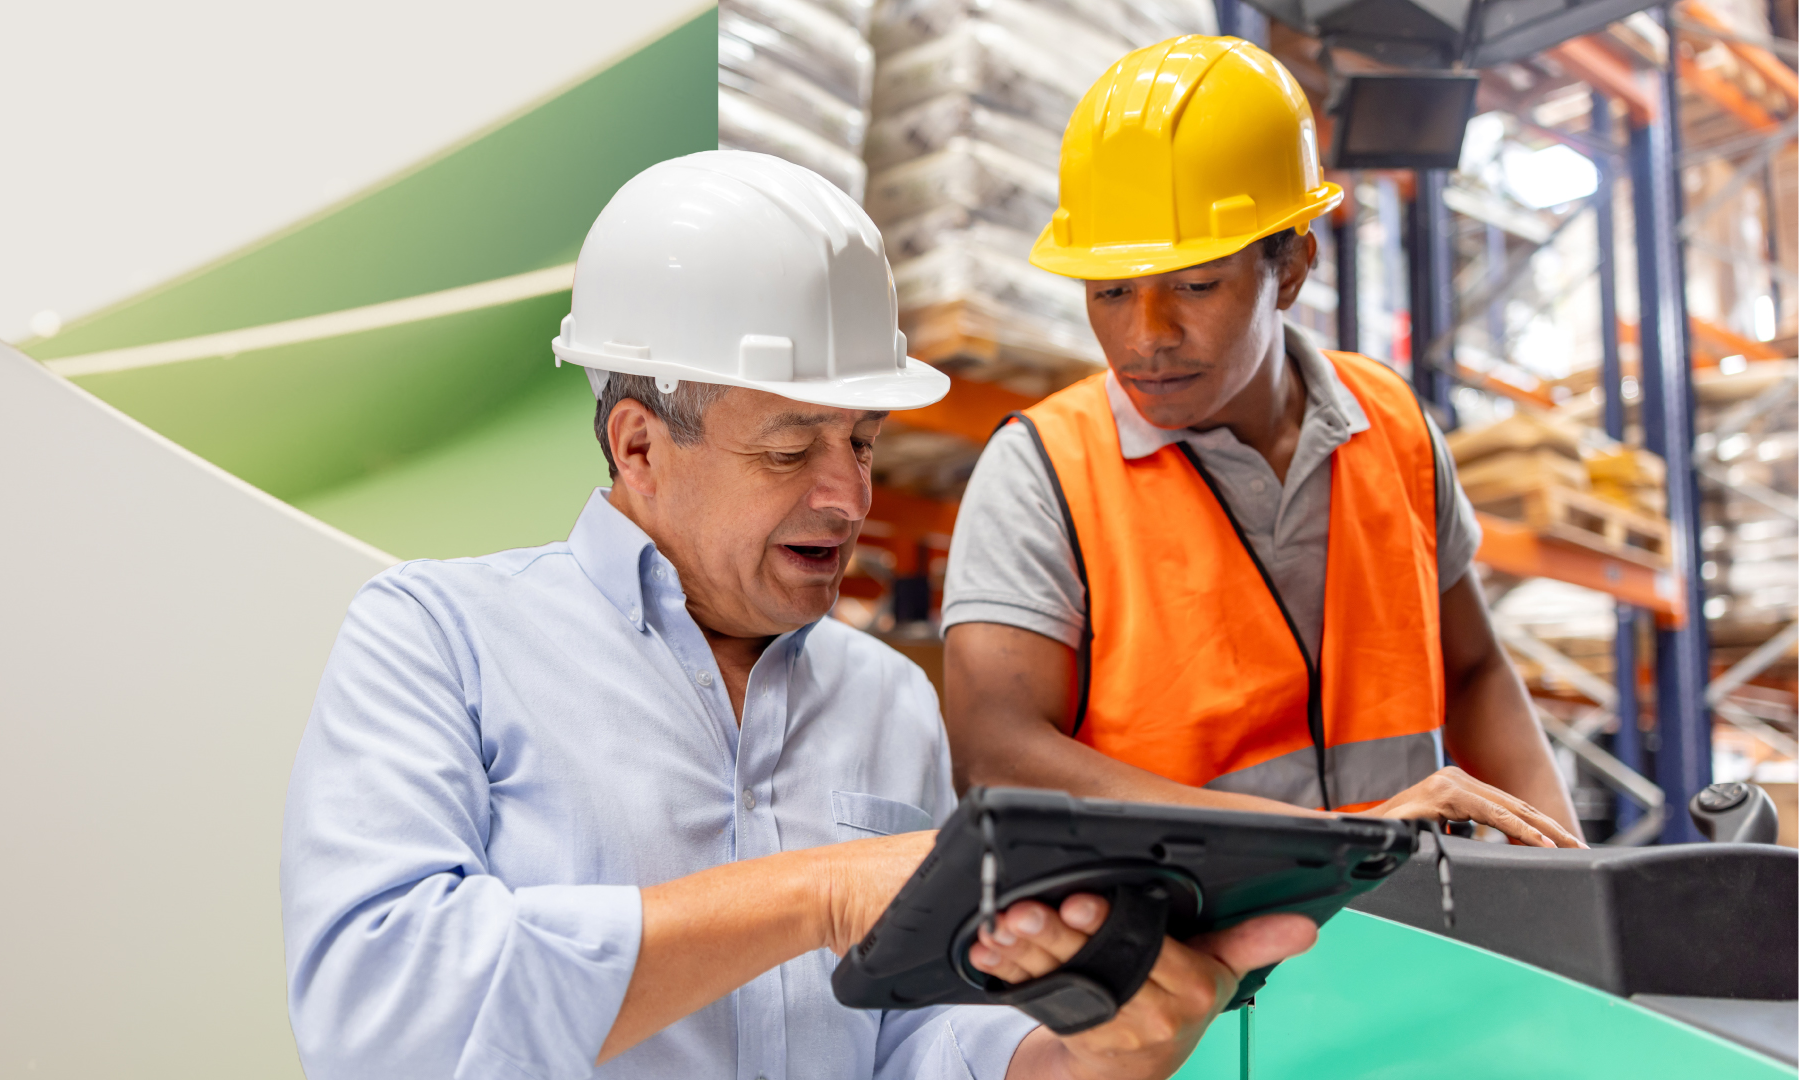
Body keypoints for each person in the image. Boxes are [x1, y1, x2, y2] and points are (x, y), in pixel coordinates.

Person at [281, 151, 1318, 1080]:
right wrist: (816, 895)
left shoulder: (882, 701)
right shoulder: (436, 638)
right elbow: (382, 1015)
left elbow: (913, 1035)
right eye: (790, 448)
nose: (846, 496)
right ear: (638, 447)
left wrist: (1078, 1058)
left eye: (861, 443)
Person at [942, 37, 1585, 848]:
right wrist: (1328, 841)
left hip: (1407, 935)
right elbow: (998, 755)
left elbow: (1474, 671)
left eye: (1194, 285)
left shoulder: (1394, 423)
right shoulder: (1044, 470)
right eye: (1109, 292)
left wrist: (1566, 876)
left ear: (1290, 269)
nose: (1147, 337)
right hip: (1172, 945)